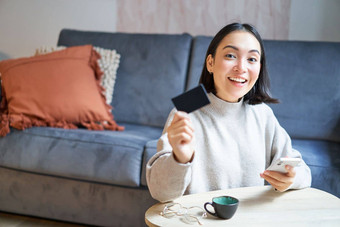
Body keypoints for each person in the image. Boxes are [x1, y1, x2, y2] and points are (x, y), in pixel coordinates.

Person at [146, 23, 312, 203]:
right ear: (210, 63)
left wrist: (291, 178)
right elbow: (160, 192)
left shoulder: (262, 113)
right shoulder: (187, 106)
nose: (241, 67)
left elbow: (302, 170)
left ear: (259, 68)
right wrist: (180, 159)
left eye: (252, 59)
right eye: (230, 55)